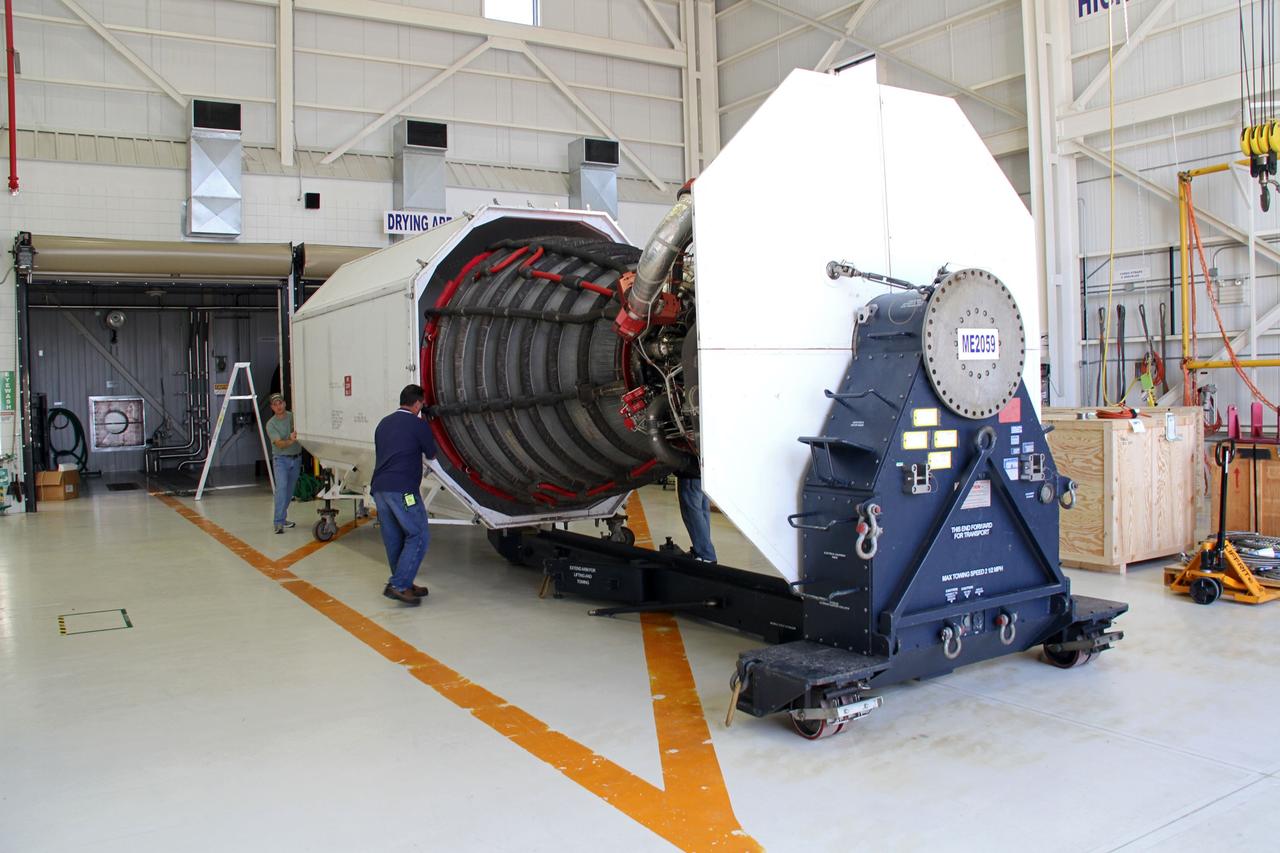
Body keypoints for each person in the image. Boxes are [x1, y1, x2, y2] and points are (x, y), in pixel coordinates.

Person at [370, 384, 438, 606]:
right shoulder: (417, 424)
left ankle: (405, 583)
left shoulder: (384, 423)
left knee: (394, 539)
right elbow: (431, 453)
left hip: (380, 489)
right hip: (403, 490)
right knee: (418, 535)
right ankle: (398, 585)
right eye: (422, 404)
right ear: (417, 403)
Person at [265, 392, 303, 534]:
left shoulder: (294, 417)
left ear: (284, 404)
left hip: (296, 458)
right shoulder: (271, 424)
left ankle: (282, 517)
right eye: (275, 404)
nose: (278, 406)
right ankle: (278, 522)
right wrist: (292, 440)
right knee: (281, 489)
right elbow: (279, 444)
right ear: (272, 407)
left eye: (280, 403)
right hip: (280, 460)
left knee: (289, 491)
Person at [677, 462, 717, 562]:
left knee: (692, 515)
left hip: (690, 473)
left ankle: (706, 555)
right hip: (702, 474)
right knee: (702, 514)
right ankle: (703, 551)